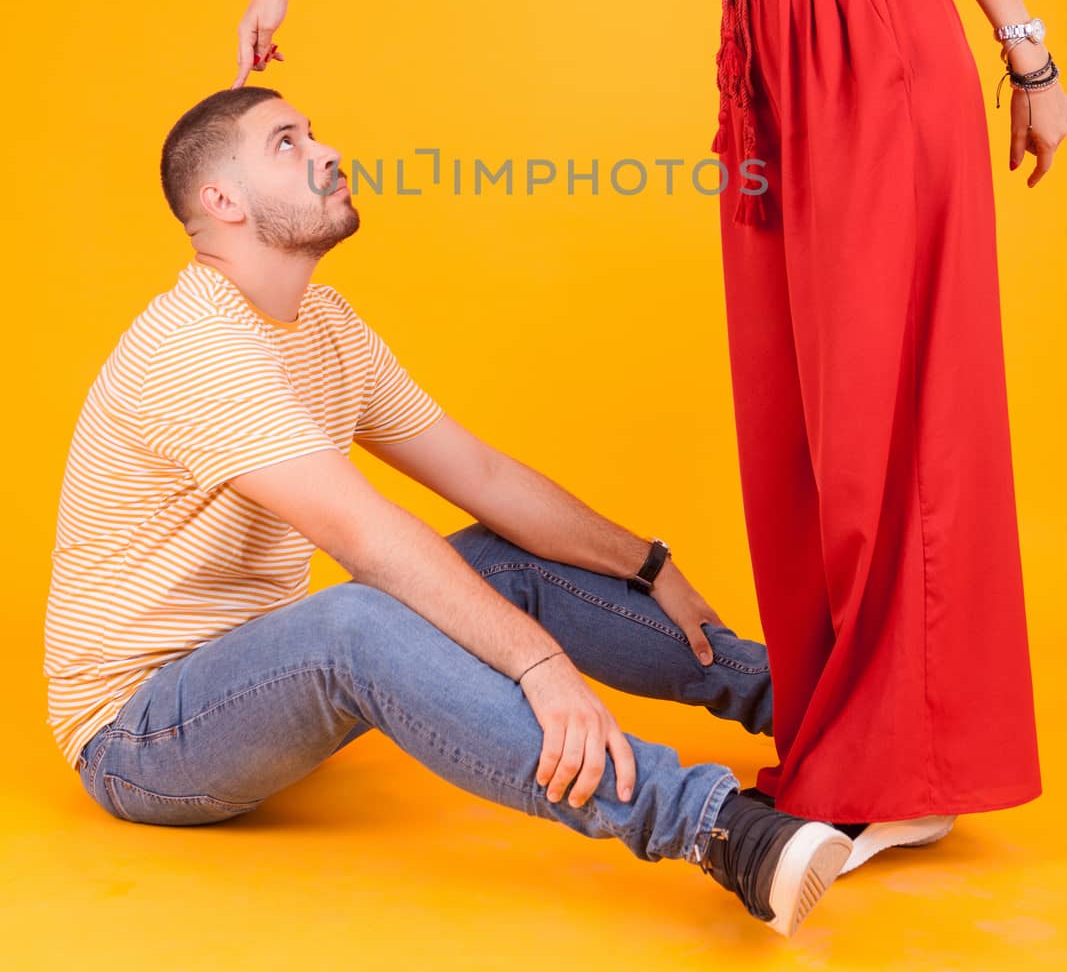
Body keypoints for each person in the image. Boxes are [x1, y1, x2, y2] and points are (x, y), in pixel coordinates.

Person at [228, 0, 1059, 838]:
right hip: (767, 75)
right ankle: (856, 737)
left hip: (880, 52)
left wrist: (1028, 63)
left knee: (883, 414)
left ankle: (908, 770)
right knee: (794, 418)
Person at [45, 86, 864, 940]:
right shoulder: (196, 349)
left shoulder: (322, 323)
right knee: (352, 624)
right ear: (221, 200)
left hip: (255, 678)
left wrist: (646, 563)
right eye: (287, 143)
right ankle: (712, 828)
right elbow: (360, 534)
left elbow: (482, 476)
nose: (327, 153)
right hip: (142, 739)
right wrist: (539, 665)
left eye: (316, 133)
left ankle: (828, 713)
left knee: (498, 560)